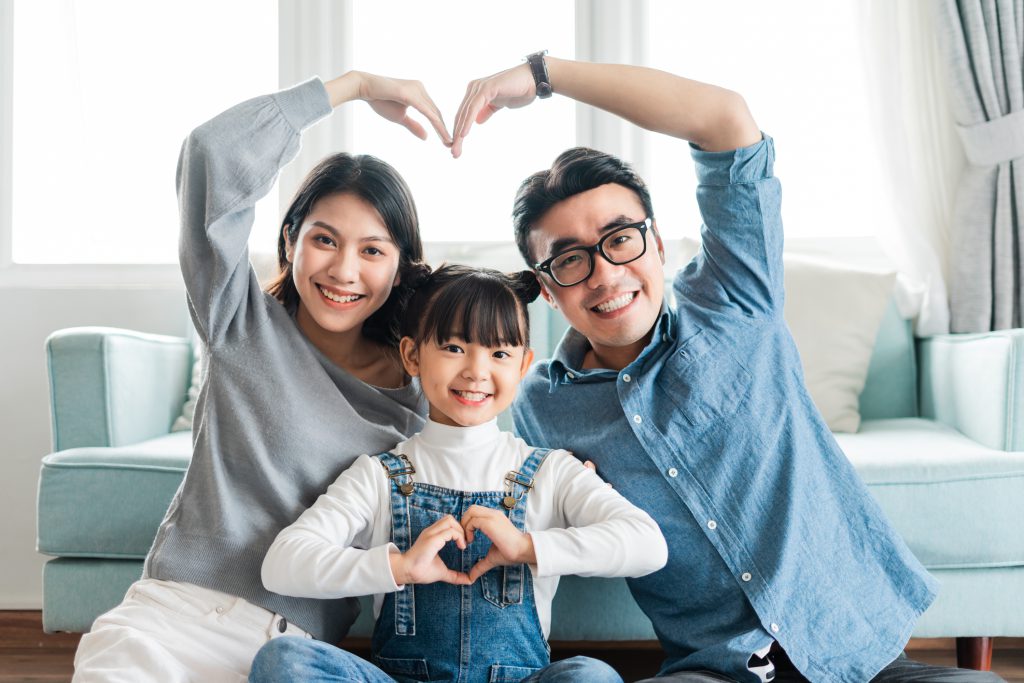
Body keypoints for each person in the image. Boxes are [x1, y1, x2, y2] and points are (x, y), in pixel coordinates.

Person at [446, 53, 1006, 683]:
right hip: (717, 670)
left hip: (858, 659)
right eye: (570, 260)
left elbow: (724, 120)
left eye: (620, 238)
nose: (605, 273)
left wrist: (543, 74)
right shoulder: (539, 410)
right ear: (548, 290)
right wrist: (552, 501)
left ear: (656, 244)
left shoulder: (736, 301)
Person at [72, 71, 453, 682]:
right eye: (324, 240)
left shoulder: (417, 400)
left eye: (373, 250)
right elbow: (210, 153)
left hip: (291, 651)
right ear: (290, 242)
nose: (344, 270)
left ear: (402, 270)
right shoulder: (240, 320)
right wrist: (352, 86)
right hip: (169, 617)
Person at [248, 264, 667, 683]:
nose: (476, 371)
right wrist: (400, 567)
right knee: (284, 661)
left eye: (499, 353)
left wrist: (525, 547)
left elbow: (648, 545)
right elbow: (283, 564)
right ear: (412, 355)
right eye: (453, 347)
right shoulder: (377, 476)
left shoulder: (551, 471)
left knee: (591, 676)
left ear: (523, 365)